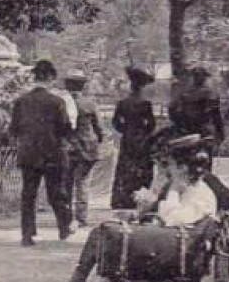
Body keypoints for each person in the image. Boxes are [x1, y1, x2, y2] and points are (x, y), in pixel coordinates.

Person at [37, 139, 220, 282]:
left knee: (103, 235)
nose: (168, 171)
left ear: (183, 168)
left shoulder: (199, 194)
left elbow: (173, 220)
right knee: (101, 233)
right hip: (169, 247)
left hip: (173, 254)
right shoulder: (189, 189)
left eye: (171, 165)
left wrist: (170, 193)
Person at [9, 60, 74, 246]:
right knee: (55, 192)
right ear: (50, 78)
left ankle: (27, 234)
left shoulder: (21, 101)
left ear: (35, 77)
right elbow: (65, 129)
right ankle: (63, 227)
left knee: (28, 194)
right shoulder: (57, 102)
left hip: (28, 154)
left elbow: (13, 128)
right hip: (52, 154)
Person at [111, 67, 159, 209]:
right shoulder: (145, 104)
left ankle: (123, 198)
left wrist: (125, 129)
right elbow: (151, 123)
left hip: (128, 138)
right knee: (142, 168)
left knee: (126, 167)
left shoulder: (123, 103)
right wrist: (144, 131)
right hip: (142, 139)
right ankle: (140, 195)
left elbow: (115, 122)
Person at [63, 69, 104, 228]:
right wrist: (98, 141)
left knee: (66, 182)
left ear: (67, 86)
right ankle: (81, 217)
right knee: (83, 182)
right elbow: (99, 127)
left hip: (68, 147)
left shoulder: (62, 103)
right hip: (88, 147)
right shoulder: (90, 103)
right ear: (83, 85)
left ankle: (66, 216)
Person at [169, 66, 226, 151]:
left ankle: (219, 137)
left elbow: (214, 110)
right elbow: (173, 107)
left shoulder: (208, 91)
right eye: (196, 75)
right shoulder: (185, 91)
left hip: (201, 122)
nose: (199, 78)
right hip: (186, 123)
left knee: (214, 114)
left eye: (200, 75)